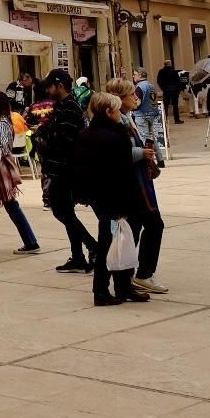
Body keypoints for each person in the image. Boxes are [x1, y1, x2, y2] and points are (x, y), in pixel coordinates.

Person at [73, 92, 148, 306]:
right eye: (115, 110)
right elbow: (122, 171)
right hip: (115, 196)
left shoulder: (86, 134)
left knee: (117, 241)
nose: (118, 114)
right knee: (112, 241)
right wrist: (126, 202)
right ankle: (103, 289)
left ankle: (120, 286)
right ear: (108, 112)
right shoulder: (115, 136)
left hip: (98, 195)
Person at [33, 71, 96, 273]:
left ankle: (92, 246)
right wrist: (44, 133)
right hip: (59, 167)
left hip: (65, 168)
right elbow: (49, 129)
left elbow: (64, 141)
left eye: (50, 86)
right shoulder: (61, 107)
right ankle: (78, 256)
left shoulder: (70, 108)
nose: (47, 90)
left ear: (59, 86)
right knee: (65, 212)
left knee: (61, 210)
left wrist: (45, 140)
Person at [109, 77, 167, 295]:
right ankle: (140, 274)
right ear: (119, 99)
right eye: (130, 94)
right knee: (151, 225)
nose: (136, 97)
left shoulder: (127, 119)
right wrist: (140, 153)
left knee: (133, 229)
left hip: (139, 181)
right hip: (133, 185)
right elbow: (117, 153)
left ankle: (128, 276)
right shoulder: (118, 122)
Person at [0, 90, 38, 256]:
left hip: (1, 168)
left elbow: (0, 147)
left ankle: (31, 242)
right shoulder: (1, 122)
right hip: (0, 168)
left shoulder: (2, 124)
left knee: (9, 204)